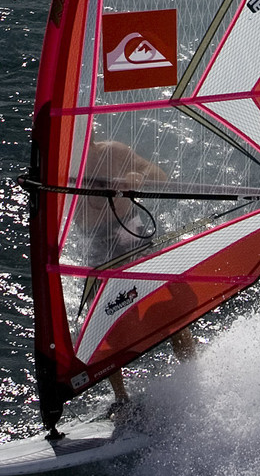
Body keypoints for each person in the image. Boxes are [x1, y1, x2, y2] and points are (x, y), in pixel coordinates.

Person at [74, 139, 198, 404]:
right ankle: (122, 399)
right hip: (97, 248)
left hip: (132, 235)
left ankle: (194, 377)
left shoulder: (113, 151)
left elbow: (159, 175)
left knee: (170, 311)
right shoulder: (64, 164)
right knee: (106, 327)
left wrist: (137, 177)